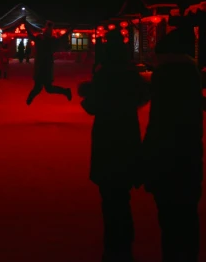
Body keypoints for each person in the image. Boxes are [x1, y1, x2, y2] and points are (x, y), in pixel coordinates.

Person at [80, 29, 149, 262]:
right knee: (122, 195)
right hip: (127, 136)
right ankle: (125, 241)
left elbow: (91, 106)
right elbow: (143, 95)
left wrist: (88, 94)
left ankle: (113, 246)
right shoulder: (131, 76)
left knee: (110, 197)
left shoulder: (104, 75)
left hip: (107, 138)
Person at [142, 27, 203, 262]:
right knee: (186, 216)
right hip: (189, 158)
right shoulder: (189, 74)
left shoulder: (167, 77)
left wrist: (148, 159)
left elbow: (159, 125)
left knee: (170, 219)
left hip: (167, 160)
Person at [23, 19, 72, 105]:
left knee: (42, 88)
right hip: (45, 67)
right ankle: (65, 91)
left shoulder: (44, 41)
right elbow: (63, 37)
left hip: (43, 67)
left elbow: (31, 36)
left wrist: (26, 26)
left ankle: (29, 99)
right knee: (45, 88)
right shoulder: (49, 42)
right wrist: (70, 30)